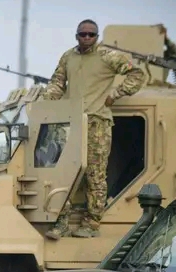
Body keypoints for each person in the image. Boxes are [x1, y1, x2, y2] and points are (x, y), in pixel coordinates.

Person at [43, 19, 145, 239]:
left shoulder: (108, 56)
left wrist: (116, 94)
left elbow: (137, 74)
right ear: (76, 35)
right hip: (70, 123)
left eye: (91, 35)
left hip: (97, 122)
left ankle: (91, 224)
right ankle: (60, 223)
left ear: (97, 37)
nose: (87, 38)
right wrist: (47, 100)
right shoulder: (68, 56)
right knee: (63, 175)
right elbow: (57, 82)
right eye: (83, 34)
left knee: (95, 175)